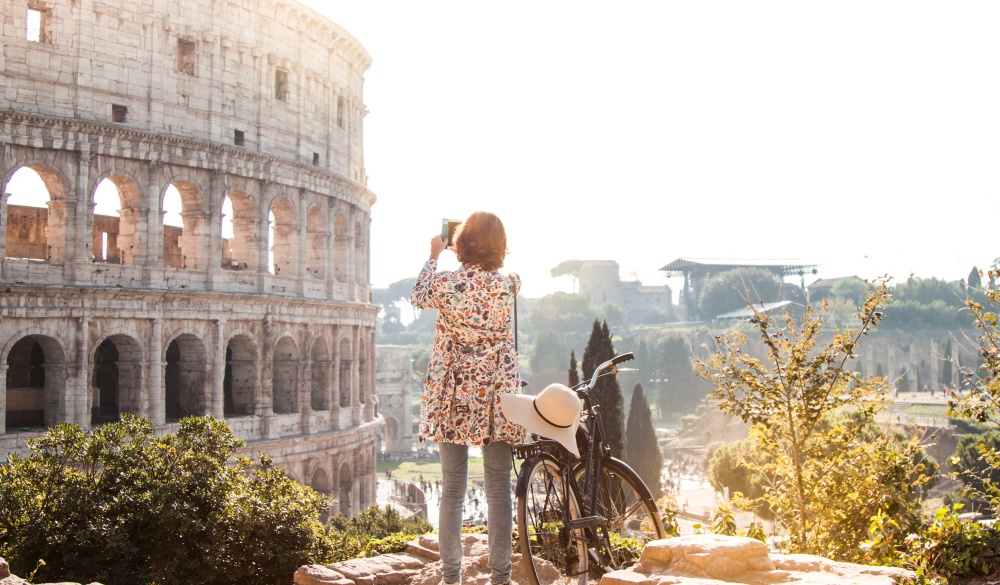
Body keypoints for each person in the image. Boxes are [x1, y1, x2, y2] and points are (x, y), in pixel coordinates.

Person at [410, 211, 526, 585]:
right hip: (495, 390)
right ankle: (501, 578)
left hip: (453, 391)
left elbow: (418, 295)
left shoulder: (445, 285)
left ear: (461, 243)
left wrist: (433, 254)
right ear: (500, 246)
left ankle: (450, 578)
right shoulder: (510, 284)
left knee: (453, 488)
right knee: (497, 489)